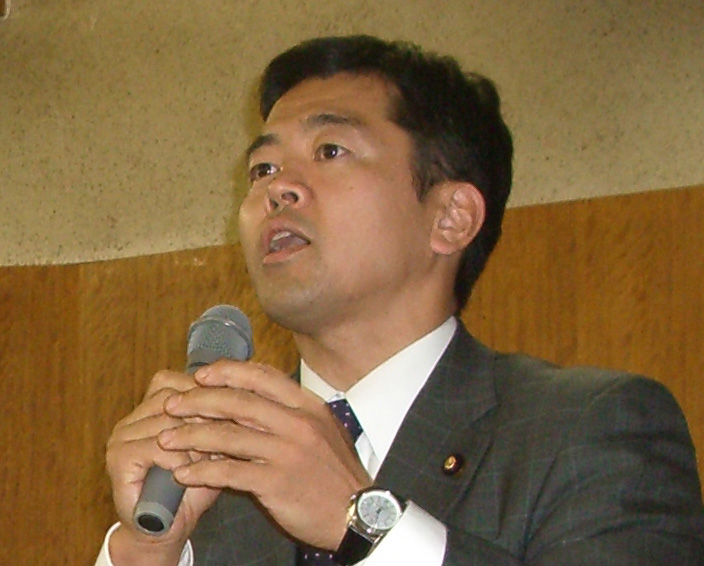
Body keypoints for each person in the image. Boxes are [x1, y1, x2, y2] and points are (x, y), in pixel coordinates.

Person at [95, 35, 704, 566]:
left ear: (450, 217)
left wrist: (363, 524)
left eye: (330, 151)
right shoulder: (210, 479)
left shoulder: (588, 428)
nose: (278, 189)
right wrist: (148, 551)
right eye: (262, 169)